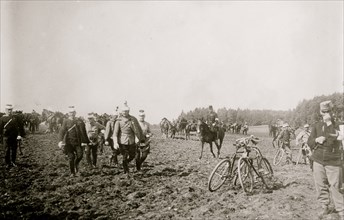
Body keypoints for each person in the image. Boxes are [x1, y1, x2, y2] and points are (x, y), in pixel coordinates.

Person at [307, 100, 344, 219]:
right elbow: (310, 142)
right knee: (320, 185)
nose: (325, 114)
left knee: (336, 186)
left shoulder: (339, 125)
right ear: (320, 112)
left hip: (333, 161)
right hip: (318, 160)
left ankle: (341, 211)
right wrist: (317, 140)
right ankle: (325, 206)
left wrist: (328, 123)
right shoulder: (316, 125)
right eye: (323, 112)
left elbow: (333, 138)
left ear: (332, 112)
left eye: (328, 111)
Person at [113, 102, 145, 176]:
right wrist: (115, 142)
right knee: (125, 155)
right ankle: (126, 171)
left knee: (132, 155)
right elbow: (115, 133)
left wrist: (139, 138)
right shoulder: (118, 120)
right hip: (122, 141)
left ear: (128, 111)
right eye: (123, 111)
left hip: (132, 140)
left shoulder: (133, 119)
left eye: (126, 111)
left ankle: (126, 163)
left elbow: (138, 130)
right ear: (121, 112)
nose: (125, 113)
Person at [58, 106, 89, 177]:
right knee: (71, 157)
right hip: (69, 143)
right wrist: (60, 141)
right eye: (70, 112)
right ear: (68, 113)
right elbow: (62, 131)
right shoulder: (65, 121)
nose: (72, 114)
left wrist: (86, 142)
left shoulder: (79, 121)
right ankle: (72, 172)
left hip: (78, 142)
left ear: (75, 113)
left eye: (73, 112)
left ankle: (76, 164)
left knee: (80, 155)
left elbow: (83, 132)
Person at [0, 104, 25, 169]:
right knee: (6, 151)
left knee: (14, 150)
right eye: (8, 110)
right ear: (5, 110)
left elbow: (20, 127)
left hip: (14, 136)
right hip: (6, 137)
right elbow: (0, 128)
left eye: (11, 110)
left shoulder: (16, 118)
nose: (9, 111)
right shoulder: (2, 118)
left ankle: (13, 162)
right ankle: (7, 163)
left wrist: (19, 135)